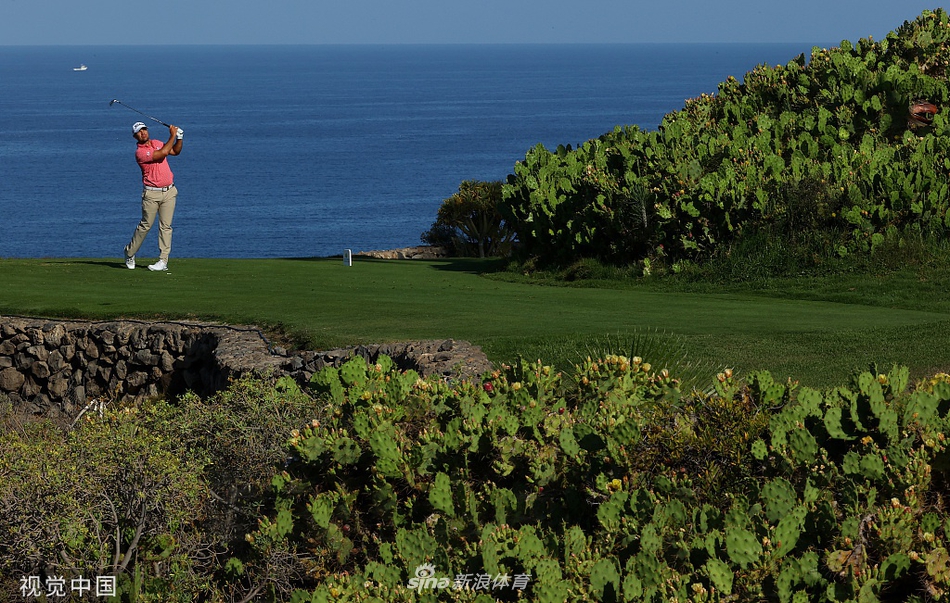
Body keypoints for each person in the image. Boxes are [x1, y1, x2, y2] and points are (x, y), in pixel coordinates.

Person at [123, 121, 183, 271]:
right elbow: (162, 154)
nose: (143, 133)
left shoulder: (157, 142)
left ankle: (163, 261)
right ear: (135, 136)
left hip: (169, 191)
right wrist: (173, 134)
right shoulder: (140, 153)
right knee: (146, 225)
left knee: (166, 227)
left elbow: (174, 152)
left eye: (144, 129)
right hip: (151, 194)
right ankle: (129, 252)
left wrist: (179, 138)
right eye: (139, 131)